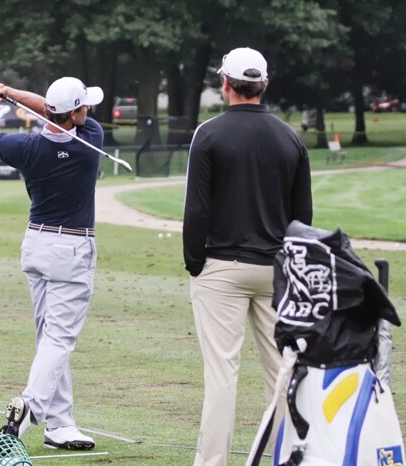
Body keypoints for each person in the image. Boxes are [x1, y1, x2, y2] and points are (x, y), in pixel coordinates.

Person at [182, 47, 313, 466]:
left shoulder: (209, 134)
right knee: (283, 374)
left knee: (222, 375)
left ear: (225, 84)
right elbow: (303, 217)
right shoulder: (289, 136)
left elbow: (197, 208)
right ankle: (289, 458)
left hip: (222, 266)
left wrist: (194, 261)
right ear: (264, 85)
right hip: (277, 269)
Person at [0, 77, 103, 451]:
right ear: (75, 114)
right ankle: (28, 409)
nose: (89, 110)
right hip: (72, 249)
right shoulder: (90, 140)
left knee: (49, 338)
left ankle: (60, 425)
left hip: (36, 243)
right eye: (84, 106)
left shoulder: (26, 147)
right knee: (59, 339)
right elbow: (48, 107)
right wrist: (11, 93)